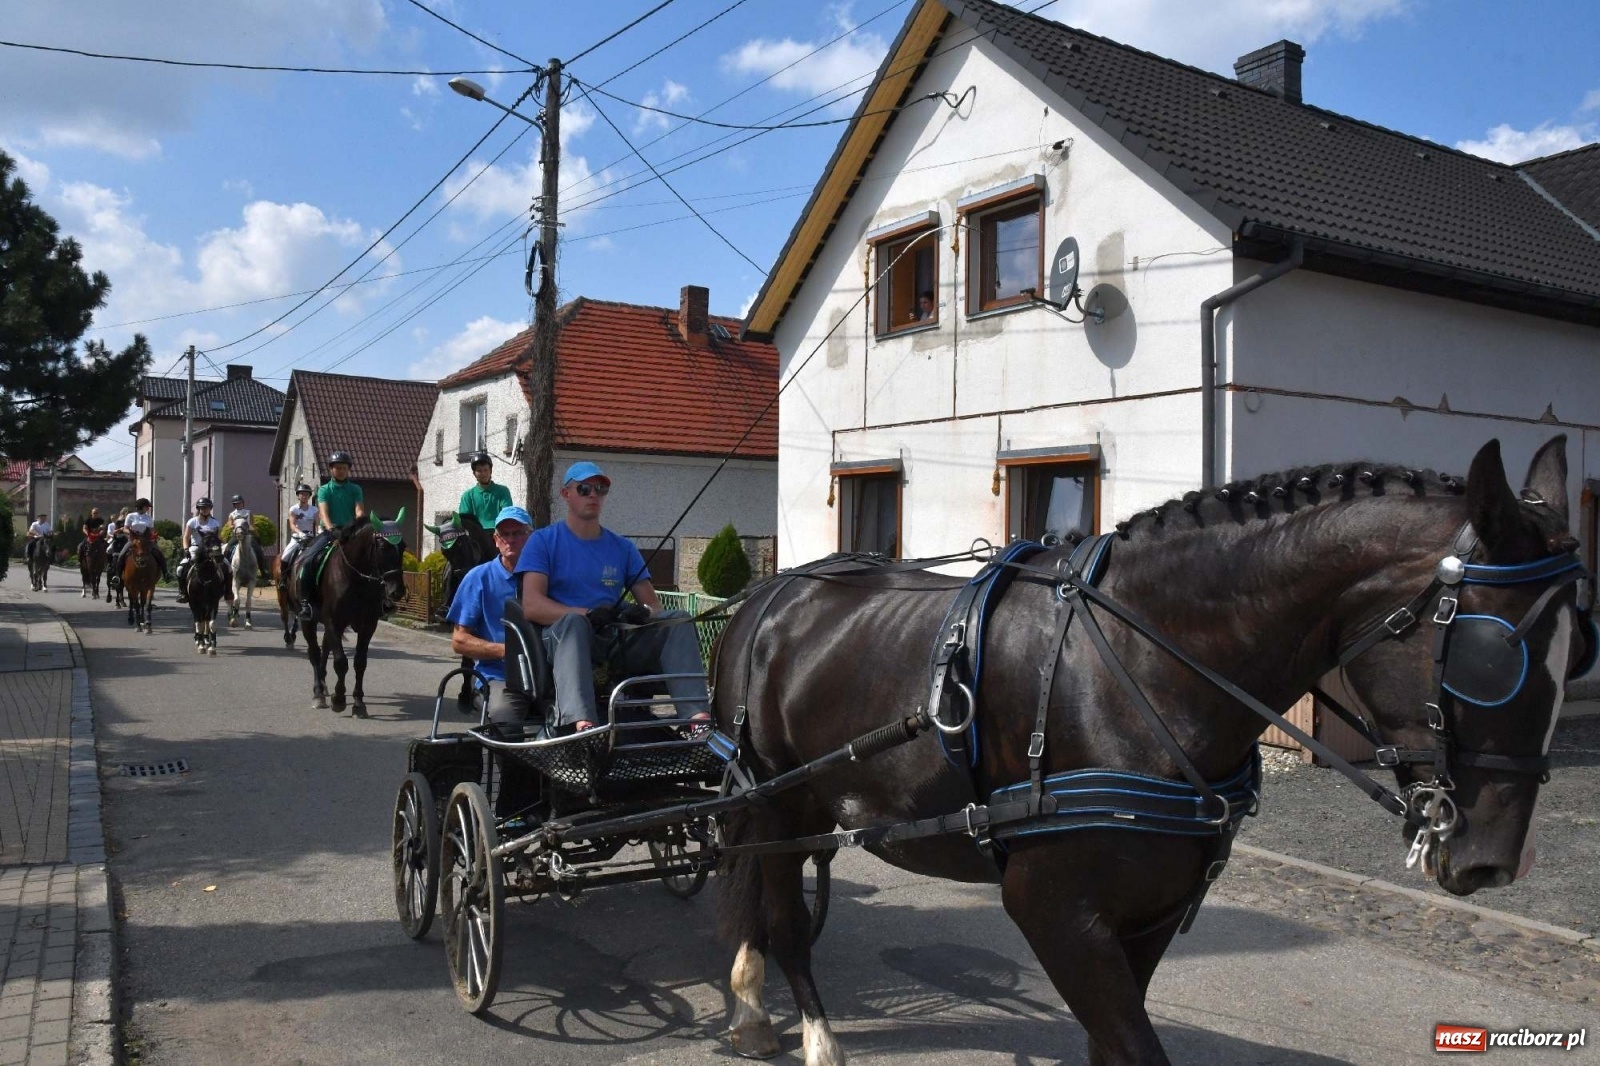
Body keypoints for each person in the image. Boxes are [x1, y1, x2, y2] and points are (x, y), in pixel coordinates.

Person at [514, 461, 709, 734]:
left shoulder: (623, 547)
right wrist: (587, 614)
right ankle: (582, 724)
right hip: (564, 640)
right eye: (584, 488)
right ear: (566, 494)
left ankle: (696, 719)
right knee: (574, 624)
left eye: (600, 488)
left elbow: (653, 606)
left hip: (615, 640)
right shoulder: (543, 541)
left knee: (677, 619)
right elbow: (532, 605)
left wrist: (639, 613)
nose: (593, 494)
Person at [447, 506, 534, 723]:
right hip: (499, 677)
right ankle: (504, 755)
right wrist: (505, 651)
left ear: (531, 537)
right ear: (496, 540)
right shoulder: (478, 578)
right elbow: (459, 641)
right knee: (505, 717)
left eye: (518, 533)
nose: (510, 540)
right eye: (505, 534)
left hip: (547, 676)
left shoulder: (546, 577)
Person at [297, 451, 367, 620]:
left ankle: (379, 601)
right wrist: (330, 528)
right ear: (331, 470)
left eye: (344, 468)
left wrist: (359, 524)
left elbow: (359, 509)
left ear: (348, 470)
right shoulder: (324, 490)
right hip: (330, 532)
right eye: (337, 468)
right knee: (308, 561)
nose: (341, 471)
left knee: (372, 559)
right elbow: (323, 512)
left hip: (350, 532)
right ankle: (306, 602)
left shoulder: (355, 489)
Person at [175, 497, 231, 604]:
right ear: (199, 509)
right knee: (180, 568)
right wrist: (186, 549)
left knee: (227, 566)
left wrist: (224, 545)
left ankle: (228, 591)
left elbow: (218, 537)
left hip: (211, 549)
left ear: (210, 509)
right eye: (203, 508)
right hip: (196, 548)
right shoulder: (192, 522)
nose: (205, 510)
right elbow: (186, 537)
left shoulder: (215, 523)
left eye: (207, 508)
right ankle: (182, 592)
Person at [111, 499, 169, 580]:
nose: (148, 509)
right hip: (133, 540)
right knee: (121, 555)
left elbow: (151, 530)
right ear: (141, 507)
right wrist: (132, 532)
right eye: (147, 507)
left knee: (160, 554)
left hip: (146, 541)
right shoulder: (130, 516)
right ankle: (117, 576)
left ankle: (166, 573)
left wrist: (154, 535)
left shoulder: (149, 517)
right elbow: (125, 529)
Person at [457, 451, 514, 531]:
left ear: (490, 471)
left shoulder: (503, 491)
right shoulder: (468, 496)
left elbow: (507, 514)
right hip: (477, 537)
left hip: (499, 534)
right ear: (474, 473)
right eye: (479, 471)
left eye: (485, 470)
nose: (483, 473)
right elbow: (465, 520)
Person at [277, 483, 317, 588]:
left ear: (309, 496)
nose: (304, 496)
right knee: (285, 556)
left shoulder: (314, 510)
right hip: (297, 538)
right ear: (298, 495)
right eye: (302, 494)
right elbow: (292, 525)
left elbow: (317, 524)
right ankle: (283, 579)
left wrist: (319, 533)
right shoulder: (293, 509)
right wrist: (300, 533)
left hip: (311, 538)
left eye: (306, 494)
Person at [223, 493, 267, 575]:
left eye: (239, 503)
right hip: (236, 535)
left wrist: (254, 531)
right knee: (227, 549)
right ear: (234, 505)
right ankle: (226, 568)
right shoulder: (232, 514)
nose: (238, 505)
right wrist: (236, 526)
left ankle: (263, 569)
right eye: (236, 503)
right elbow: (229, 525)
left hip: (247, 535)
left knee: (258, 549)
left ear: (243, 503)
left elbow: (251, 524)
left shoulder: (248, 512)